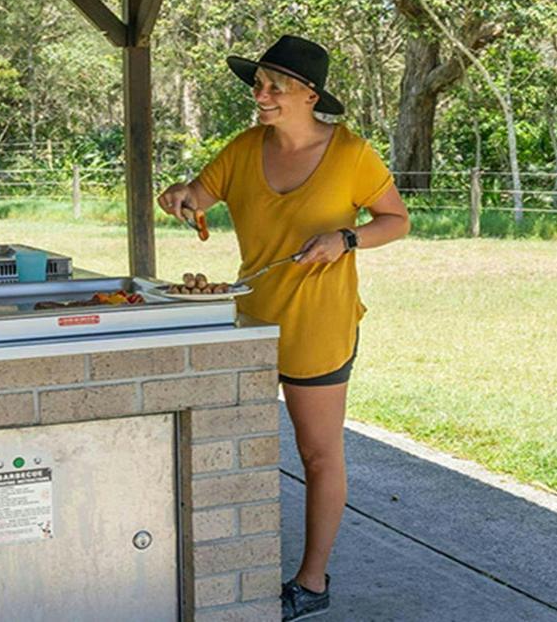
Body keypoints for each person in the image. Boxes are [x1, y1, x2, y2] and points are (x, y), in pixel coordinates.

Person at [158, 35, 410, 621]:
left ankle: (313, 580)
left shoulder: (350, 153)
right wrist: (181, 198)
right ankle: (225, 556)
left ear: (308, 95)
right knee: (229, 443)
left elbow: (396, 220)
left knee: (318, 453)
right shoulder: (244, 148)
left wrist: (346, 239)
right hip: (247, 320)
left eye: (275, 86)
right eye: (259, 84)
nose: (261, 94)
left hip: (319, 324)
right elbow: (197, 194)